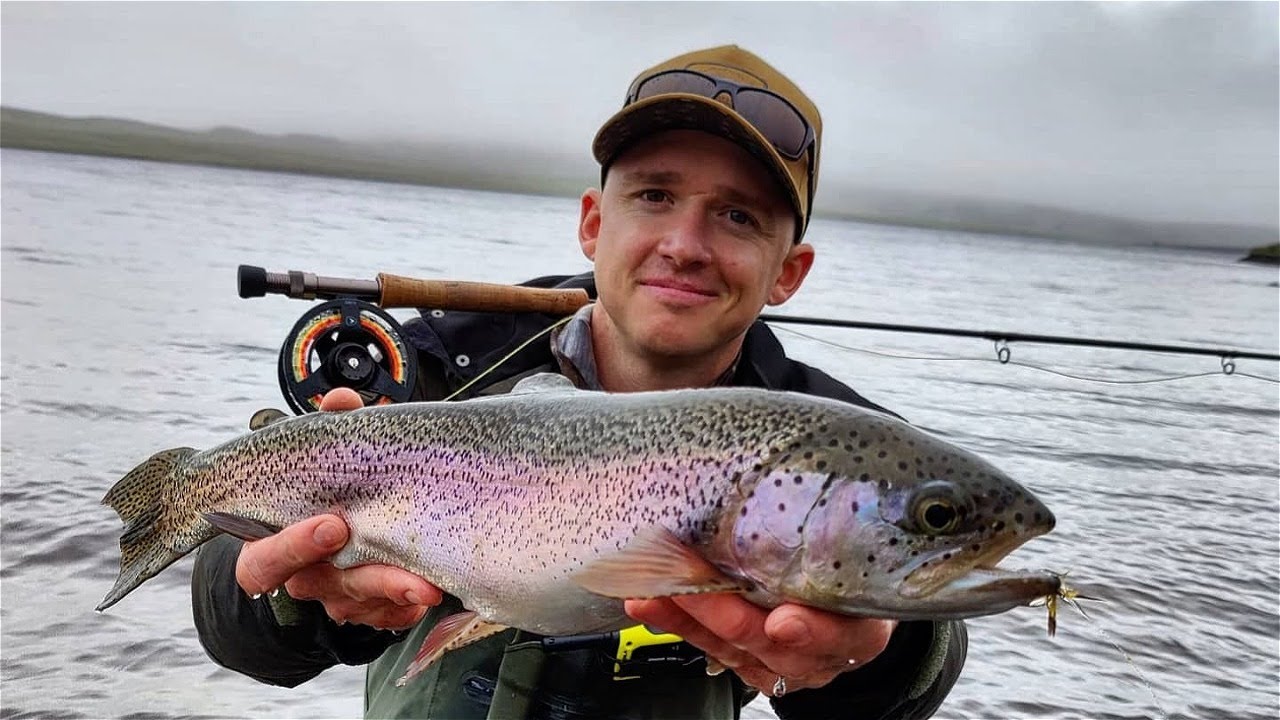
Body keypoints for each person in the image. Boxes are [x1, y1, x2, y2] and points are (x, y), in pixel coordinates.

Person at [191, 45, 968, 719]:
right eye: (655, 195)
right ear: (595, 222)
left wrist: (880, 649)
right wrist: (303, 600)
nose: (685, 244)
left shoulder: (843, 444)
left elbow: (919, 678)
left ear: (788, 272)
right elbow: (232, 620)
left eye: (738, 216)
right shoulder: (436, 370)